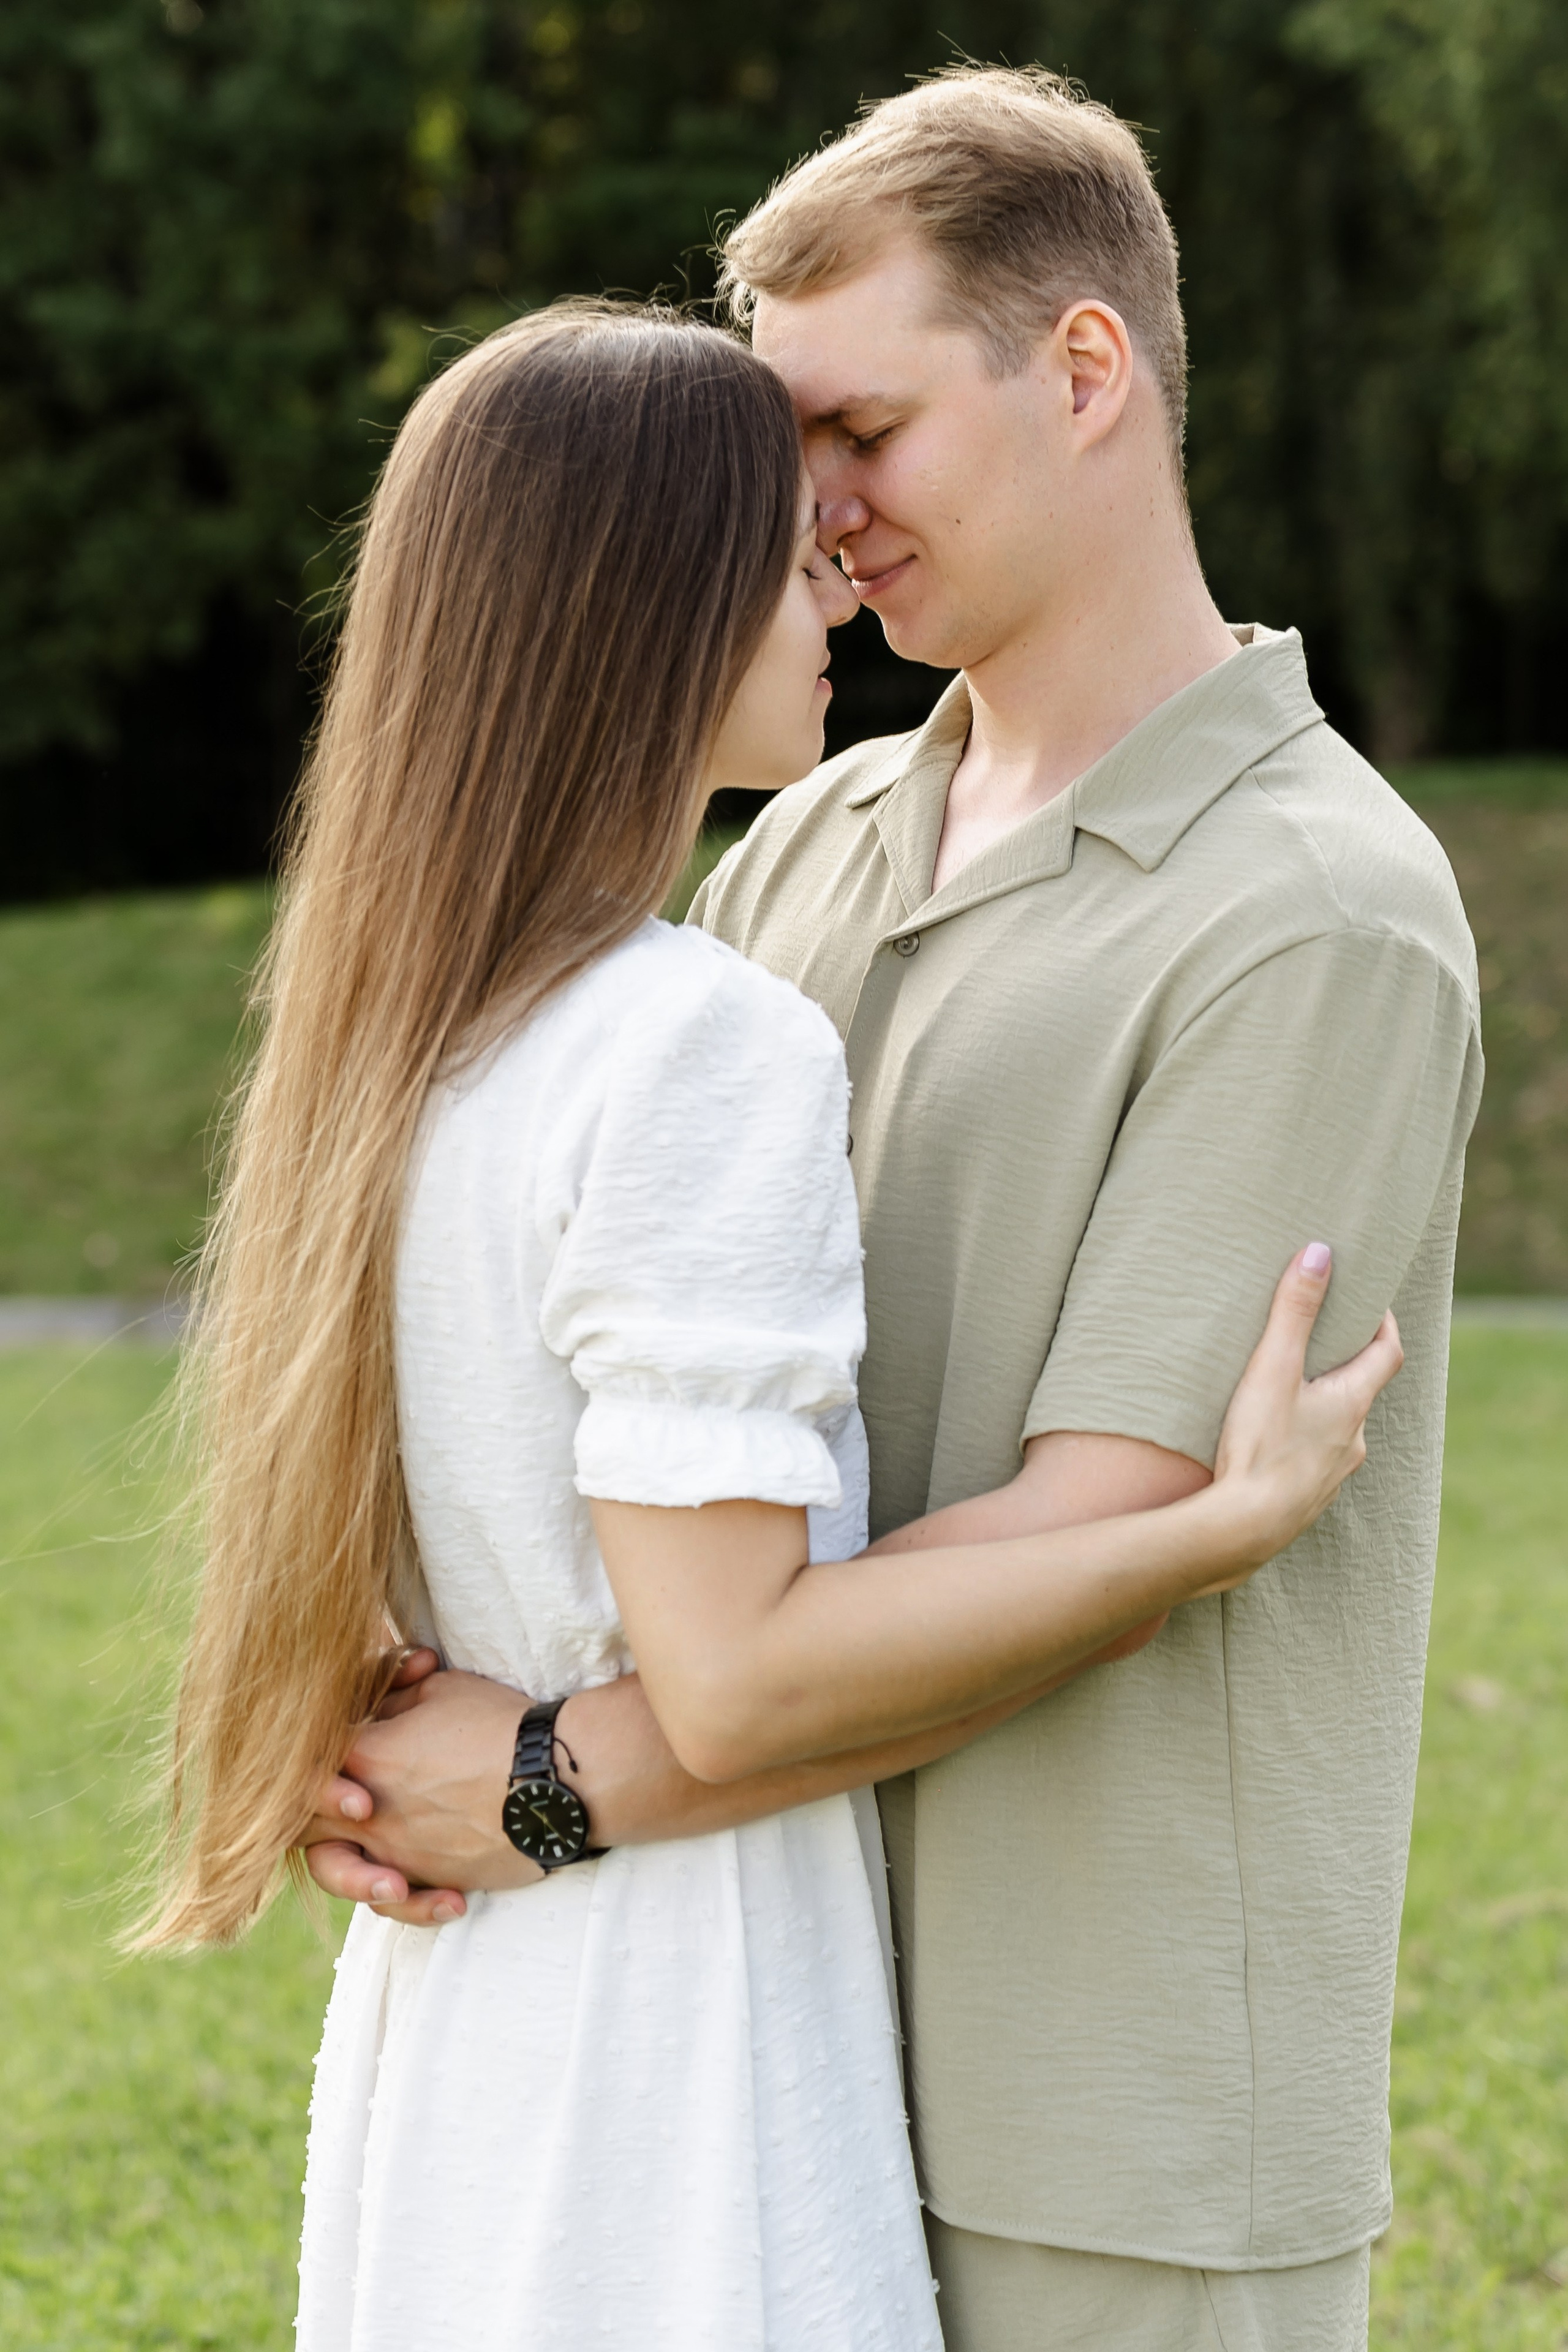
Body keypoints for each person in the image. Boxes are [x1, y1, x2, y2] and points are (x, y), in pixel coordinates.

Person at [303, 67, 1483, 2352]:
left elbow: (1101, 1544)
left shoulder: (1314, 912)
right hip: (760, 2053)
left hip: (1103, 2121)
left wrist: (539, 1786)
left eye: (861, 431)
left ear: (1083, 368)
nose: (813, 517)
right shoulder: (809, 849)